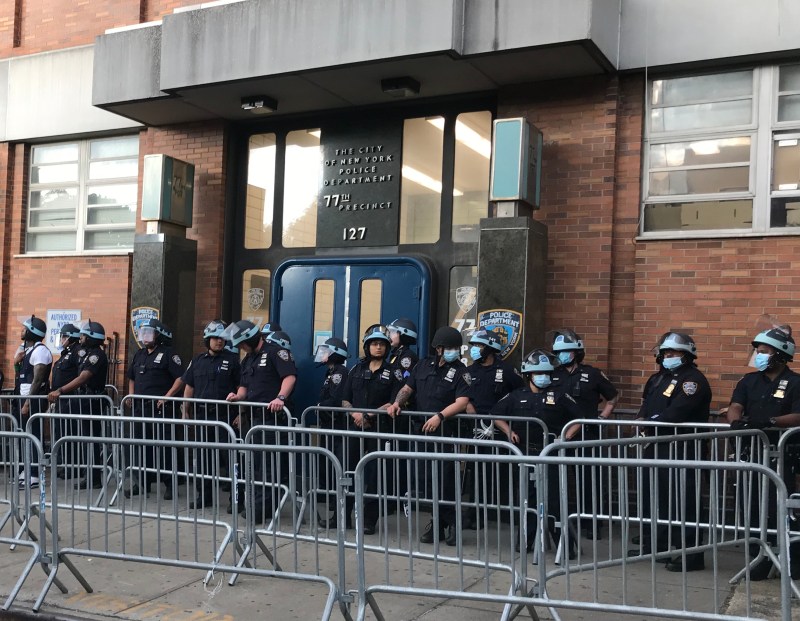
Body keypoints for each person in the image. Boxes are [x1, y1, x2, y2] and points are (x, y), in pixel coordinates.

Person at [632, 332, 710, 572]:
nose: (668, 357)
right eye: (665, 353)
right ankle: (663, 547)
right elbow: (645, 406)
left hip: (683, 449)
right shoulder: (659, 378)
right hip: (658, 447)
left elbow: (677, 413)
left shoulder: (692, 380)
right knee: (659, 499)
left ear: (686, 355)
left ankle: (691, 554)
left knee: (685, 503)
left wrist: (650, 423)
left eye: (673, 353)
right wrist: (641, 422)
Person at [726, 326, 800, 580]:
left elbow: (798, 416)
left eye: (764, 351)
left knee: (783, 507)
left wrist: (770, 421)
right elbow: (735, 405)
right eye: (757, 351)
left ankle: (791, 558)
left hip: (784, 456)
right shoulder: (749, 381)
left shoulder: (795, 382)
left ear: (780, 354)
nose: (758, 355)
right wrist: (736, 422)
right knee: (754, 507)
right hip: (754, 453)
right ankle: (760, 557)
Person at [492, 349, 582, 556]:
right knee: (527, 499)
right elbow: (496, 415)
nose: (544, 378)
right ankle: (526, 540)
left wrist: (565, 437)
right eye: (538, 373)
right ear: (529, 375)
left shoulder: (558, 395)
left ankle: (564, 545)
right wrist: (509, 432)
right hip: (526, 454)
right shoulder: (517, 396)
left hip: (550, 455)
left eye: (547, 374)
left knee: (553, 500)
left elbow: (579, 417)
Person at [387, 326, 471, 546]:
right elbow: (408, 388)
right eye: (449, 348)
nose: (453, 351)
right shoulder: (423, 365)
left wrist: (440, 417)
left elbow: (462, 402)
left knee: (446, 482)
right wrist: (397, 402)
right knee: (429, 481)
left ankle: (451, 523)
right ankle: (438, 523)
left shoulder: (462, 371)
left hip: (446, 432)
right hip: (422, 432)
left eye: (456, 348)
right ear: (439, 348)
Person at [226, 321, 297, 522]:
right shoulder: (248, 359)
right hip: (255, 419)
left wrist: (280, 398)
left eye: (242, 344)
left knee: (268, 467)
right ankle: (261, 507)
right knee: (256, 466)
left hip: (274, 419)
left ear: (250, 339)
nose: (241, 348)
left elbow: (289, 377)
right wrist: (237, 397)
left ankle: (261, 509)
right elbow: (244, 386)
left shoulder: (276, 352)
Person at [550, 329, 618, 538]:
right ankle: (560, 521)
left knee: (589, 482)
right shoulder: (553, 375)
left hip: (586, 436)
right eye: (560, 352)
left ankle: (592, 525)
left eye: (567, 352)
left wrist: (603, 417)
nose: (563, 356)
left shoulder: (593, 374)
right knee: (558, 481)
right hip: (559, 436)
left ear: (576, 353)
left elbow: (613, 397)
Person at [335, 325, 403, 533]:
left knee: (375, 477)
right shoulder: (355, 369)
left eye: (382, 344)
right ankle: (341, 516)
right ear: (367, 346)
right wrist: (356, 414)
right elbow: (344, 399)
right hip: (354, 428)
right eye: (374, 344)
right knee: (346, 471)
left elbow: (392, 402)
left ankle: (368, 521)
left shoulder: (394, 373)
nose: (378, 348)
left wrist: (369, 415)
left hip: (379, 430)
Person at [462, 329, 524, 528]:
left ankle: (503, 513)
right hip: (475, 429)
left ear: (489, 349)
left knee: (498, 472)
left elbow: (520, 393)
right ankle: (474, 515)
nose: (474, 350)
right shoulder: (469, 371)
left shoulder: (506, 371)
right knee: (474, 471)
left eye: (478, 346)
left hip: (499, 429)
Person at [182, 320, 241, 509]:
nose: (219, 341)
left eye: (222, 338)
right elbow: (189, 386)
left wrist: (241, 412)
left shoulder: (233, 360)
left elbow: (241, 387)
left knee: (231, 459)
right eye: (215, 338)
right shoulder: (198, 361)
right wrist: (185, 411)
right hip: (202, 417)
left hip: (225, 417)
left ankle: (236, 499)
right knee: (203, 459)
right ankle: (204, 497)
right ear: (207, 340)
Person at [125, 318, 184, 498]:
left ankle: (170, 484)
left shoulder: (169, 354)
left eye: (149, 333)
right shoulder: (139, 354)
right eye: (143, 334)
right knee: (141, 447)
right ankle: (141, 483)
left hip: (161, 410)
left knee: (165, 448)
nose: (145, 337)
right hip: (141, 409)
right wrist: (131, 395)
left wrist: (166, 397)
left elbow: (180, 378)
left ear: (158, 335)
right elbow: (132, 377)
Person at [48, 320, 110, 489]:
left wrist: (60, 390)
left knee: (90, 439)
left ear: (91, 337)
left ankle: (93, 477)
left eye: (84, 335)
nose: (80, 337)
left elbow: (83, 377)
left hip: (92, 401)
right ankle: (88, 474)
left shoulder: (97, 355)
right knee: (84, 439)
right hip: (83, 400)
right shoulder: (88, 354)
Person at [313, 337, 350, 525]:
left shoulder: (340, 373)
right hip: (329, 427)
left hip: (337, 428)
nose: (323, 355)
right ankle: (336, 508)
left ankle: (340, 514)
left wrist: (319, 406)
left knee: (339, 469)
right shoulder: (331, 372)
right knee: (329, 468)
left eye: (326, 351)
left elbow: (336, 400)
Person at [17, 315, 53, 489]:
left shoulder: (40, 351)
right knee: (26, 435)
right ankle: (26, 470)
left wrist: (27, 403)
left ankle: (34, 474)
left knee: (33, 435)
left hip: (33, 401)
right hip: (25, 399)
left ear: (32, 332)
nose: (22, 330)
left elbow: (37, 381)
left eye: (25, 328)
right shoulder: (28, 350)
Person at [48, 323, 84, 477]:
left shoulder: (78, 352)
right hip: (61, 400)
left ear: (70, 337)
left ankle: (74, 466)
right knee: (61, 432)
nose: (61, 339)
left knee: (70, 432)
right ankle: (66, 463)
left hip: (71, 399)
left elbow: (80, 376)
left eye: (63, 336)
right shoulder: (65, 354)